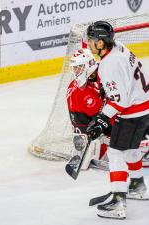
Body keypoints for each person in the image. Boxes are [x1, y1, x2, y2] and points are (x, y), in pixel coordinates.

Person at [85, 21, 149, 219]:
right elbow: (125, 78)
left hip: (132, 113)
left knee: (115, 152)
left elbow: (119, 102)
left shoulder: (109, 64)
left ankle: (118, 200)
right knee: (130, 148)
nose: (88, 43)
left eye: (91, 40)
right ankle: (138, 185)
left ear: (102, 43)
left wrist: (102, 120)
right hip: (145, 106)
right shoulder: (119, 47)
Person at [66, 48, 111, 170]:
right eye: (74, 67)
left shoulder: (102, 71)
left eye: (79, 67)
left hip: (92, 121)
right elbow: (104, 117)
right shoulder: (80, 91)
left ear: (89, 64)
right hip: (91, 128)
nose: (76, 71)